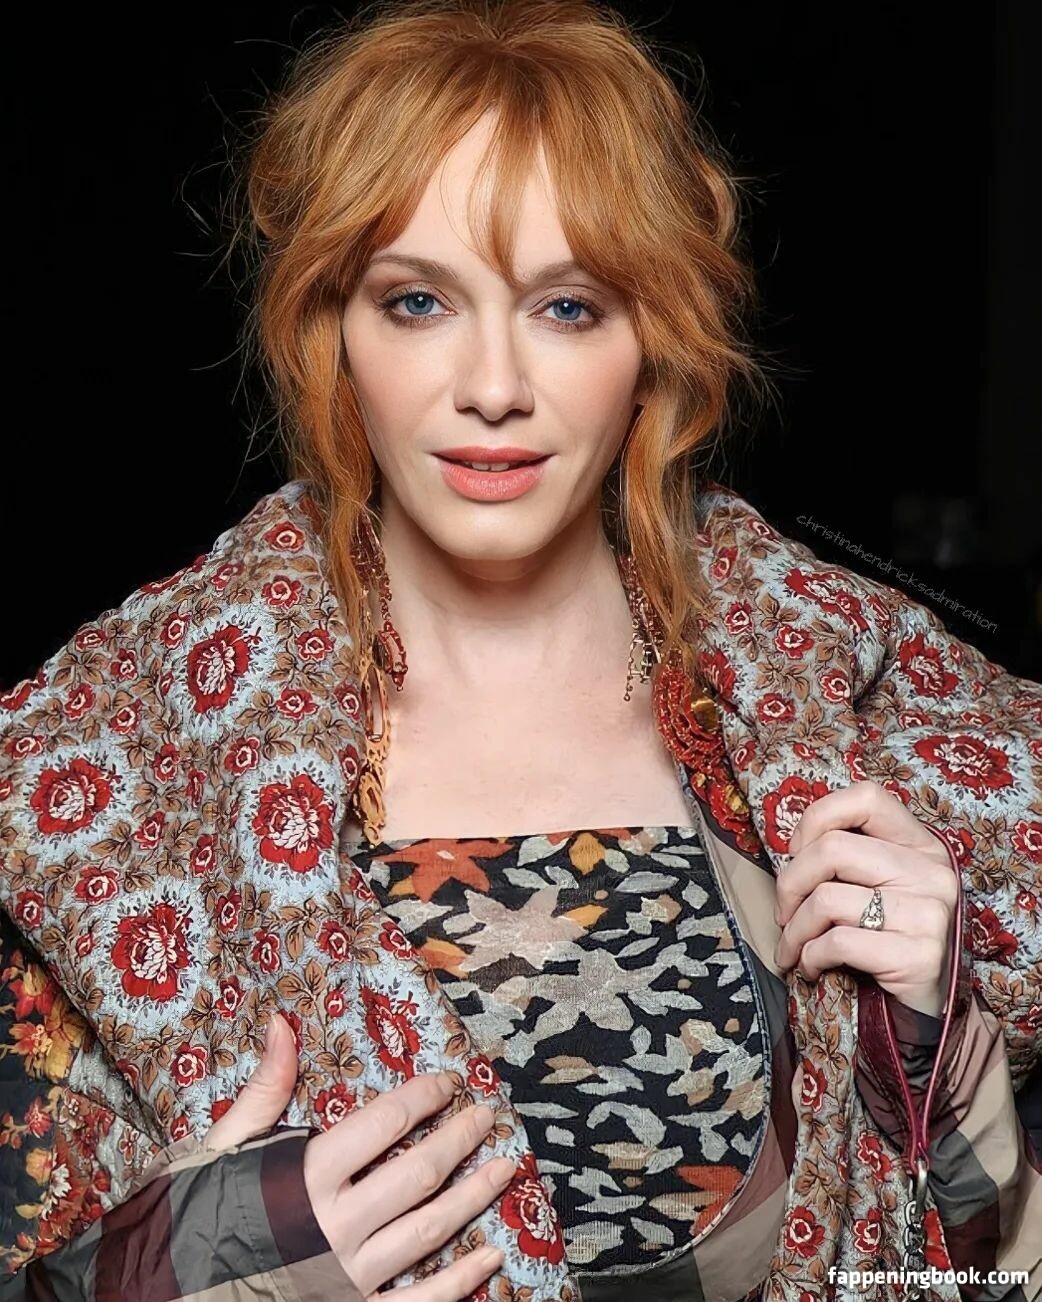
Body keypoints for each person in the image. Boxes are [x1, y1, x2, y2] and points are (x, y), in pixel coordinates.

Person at [1, 1, 1039, 1299]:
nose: (492, 385)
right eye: (417, 300)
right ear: (332, 330)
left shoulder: (855, 701)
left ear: (652, 337)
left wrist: (943, 1064)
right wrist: (174, 1264)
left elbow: (998, 1266)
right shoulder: (113, 758)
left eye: (567, 306)